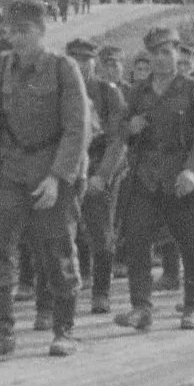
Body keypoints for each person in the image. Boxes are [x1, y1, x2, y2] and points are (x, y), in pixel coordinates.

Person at [0, 0, 90, 357]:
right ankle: (1, 333)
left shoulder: (63, 68)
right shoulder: (4, 67)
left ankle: (64, 330)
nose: (17, 38)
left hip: (50, 172)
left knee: (55, 251)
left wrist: (57, 178)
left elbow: (77, 128)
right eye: (11, 31)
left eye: (25, 31)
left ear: (42, 32)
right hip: (10, 170)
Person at [103, 26, 194, 333]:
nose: (161, 59)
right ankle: (141, 307)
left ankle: (193, 306)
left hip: (181, 178)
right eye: (155, 53)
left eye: (167, 52)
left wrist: (193, 170)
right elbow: (119, 128)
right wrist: (131, 128)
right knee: (137, 240)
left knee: (191, 243)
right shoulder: (138, 91)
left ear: (178, 53)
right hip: (145, 176)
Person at [72, 40, 125, 316]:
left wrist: (102, 176)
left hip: (100, 162)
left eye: (85, 60)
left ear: (95, 63)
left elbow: (118, 140)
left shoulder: (107, 92)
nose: (80, 66)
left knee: (100, 231)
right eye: (74, 59)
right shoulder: (60, 90)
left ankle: (101, 292)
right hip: (69, 165)